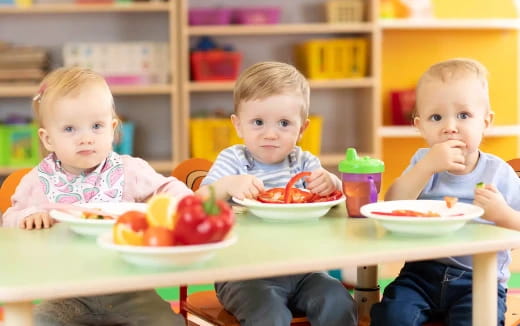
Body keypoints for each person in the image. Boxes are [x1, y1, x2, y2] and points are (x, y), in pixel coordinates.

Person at [2, 66, 191, 326]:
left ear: (112, 129)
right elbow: (9, 221)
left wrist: (177, 205)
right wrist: (27, 216)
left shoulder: (129, 170)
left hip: (132, 289)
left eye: (97, 126)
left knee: (169, 323)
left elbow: (171, 190)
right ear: (48, 139)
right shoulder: (36, 181)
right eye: (70, 129)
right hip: (64, 295)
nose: (86, 138)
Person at [197, 61, 357, 326]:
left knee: (339, 301)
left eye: (284, 123)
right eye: (258, 122)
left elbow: (340, 204)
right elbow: (196, 203)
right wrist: (226, 185)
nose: (270, 134)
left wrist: (332, 183)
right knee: (270, 315)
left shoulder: (304, 162)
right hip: (244, 274)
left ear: (302, 129)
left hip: (305, 270)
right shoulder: (233, 160)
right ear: (238, 125)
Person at [370, 58, 520, 326]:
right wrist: (426, 167)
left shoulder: (498, 173)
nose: (450, 127)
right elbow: (392, 203)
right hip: (420, 274)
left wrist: (503, 214)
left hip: (479, 280)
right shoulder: (422, 163)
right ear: (420, 126)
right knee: (392, 315)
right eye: (436, 117)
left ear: (486, 122)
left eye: (463, 115)